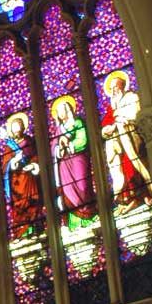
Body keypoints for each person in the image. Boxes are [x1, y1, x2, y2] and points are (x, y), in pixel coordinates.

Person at [100, 70, 152, 215]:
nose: (113, 91)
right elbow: (105, 125)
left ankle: (145, 195)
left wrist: (123, 121)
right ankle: (130, 200)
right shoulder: (111, 107)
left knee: (136, 165)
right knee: (123, 170)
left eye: (116, 87)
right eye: (111, 89)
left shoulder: (132, 97)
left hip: (133, 139)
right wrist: (107, 129)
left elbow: (137, 115)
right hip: (119, 145)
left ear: (123, 86)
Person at [51, 96, 97, 229]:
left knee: (82, 185)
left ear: (69, 110)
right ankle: (74, 221)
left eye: (63, 109)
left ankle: (88, 216)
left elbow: (82, 139)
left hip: (78, 159)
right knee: (68, 189)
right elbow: (53, 146)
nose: (61, 113)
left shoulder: (77, 123)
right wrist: (59, 147)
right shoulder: (58, 129)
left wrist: (70, 144)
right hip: (64, 164)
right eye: (58, 111)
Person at [0, 112, 43, 239]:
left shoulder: (29, 141)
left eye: (18, 126)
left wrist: (34, 165)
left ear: (23, 127)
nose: (16, 129)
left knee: (33, 202)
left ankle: (35, 228)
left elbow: (36, 156)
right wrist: (14, 161)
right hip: (16, 182)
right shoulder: (9, 147)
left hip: (29, 178)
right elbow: (5, 165)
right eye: (14, 127)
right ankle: (22, 232)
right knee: (19, 206)